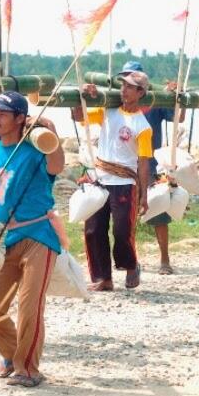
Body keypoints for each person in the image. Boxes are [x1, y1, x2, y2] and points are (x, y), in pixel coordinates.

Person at [0, 92, 64, 388]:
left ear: (21, 119)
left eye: (2, 113)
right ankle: (12, 354)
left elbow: (58, 165)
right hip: (3, 238)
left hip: (38, 235)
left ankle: (28, 368)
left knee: (30, 305)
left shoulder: (37, 150)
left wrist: (50, 130)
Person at [72, 72, 152, 291]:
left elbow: (144, 162)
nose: (124, 89)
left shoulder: (143, 126)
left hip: (125, 183)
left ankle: (130, 265)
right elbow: (80, 117)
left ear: (140, 93)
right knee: (94, 229)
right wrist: (83, 97)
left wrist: (144, 193)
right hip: (100, 178)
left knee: (121, 230)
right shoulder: (108, 112)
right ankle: (103, 278)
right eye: (123, 85)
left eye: (130, 86)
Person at [118, 60, 186, 276]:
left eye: (133, 78)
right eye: (125, 78)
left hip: (150, 163)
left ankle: (164, 259)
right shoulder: (116, 103)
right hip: (121, 165)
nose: (127, 84)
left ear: (142, 86)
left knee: (158, 213)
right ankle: (130, 260)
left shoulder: (155, 101)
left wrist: (178, 96)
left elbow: (179, 117)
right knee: (123, 215)